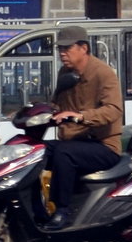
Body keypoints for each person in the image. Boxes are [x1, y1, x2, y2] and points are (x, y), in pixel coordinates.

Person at [46, 24, 124, 229]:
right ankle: (35, 207)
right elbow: (56, 104)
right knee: (36, 151)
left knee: (63, 153)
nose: (62, 53)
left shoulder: (103, 73)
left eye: (67, 48)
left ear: (83, 48)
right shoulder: (65, 72)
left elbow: (114, 109)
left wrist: (81, 117)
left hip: (103, 146)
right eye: (59, 49)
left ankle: (63, 210)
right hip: (75, 141)